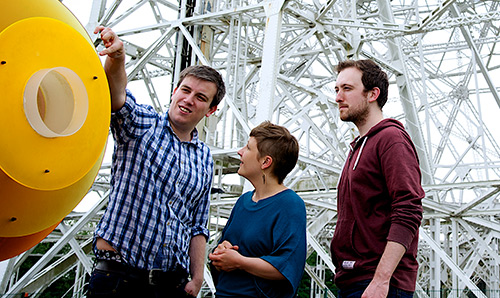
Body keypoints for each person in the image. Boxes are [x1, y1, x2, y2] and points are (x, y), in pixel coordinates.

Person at [86, 26, 226, 298]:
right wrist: (117, 61)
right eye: (185, 90)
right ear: (174, 91)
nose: (188, 100)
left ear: (211, 110)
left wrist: (197, 279)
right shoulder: (142, 124)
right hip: (118, 277)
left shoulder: (203, 158)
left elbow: (198, 224)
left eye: (200, 97)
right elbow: (117, 97)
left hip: (170, 284)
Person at [330, 59, 424, 298]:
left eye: (347, 89)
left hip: (379, 285)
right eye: (337, 89)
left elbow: (409, 210)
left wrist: (381, 280)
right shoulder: (358, 147)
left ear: (373, 94)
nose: (338, 97)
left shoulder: (391, 140)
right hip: (354, 281)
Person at [208, 121, 307, 298]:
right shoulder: (243, 202)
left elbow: (287, 266)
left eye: (247, 148)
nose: (240, 152)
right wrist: (222, 251)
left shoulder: (290, 205)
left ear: (265, 162)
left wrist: (240, 262)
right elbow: (226, 250)